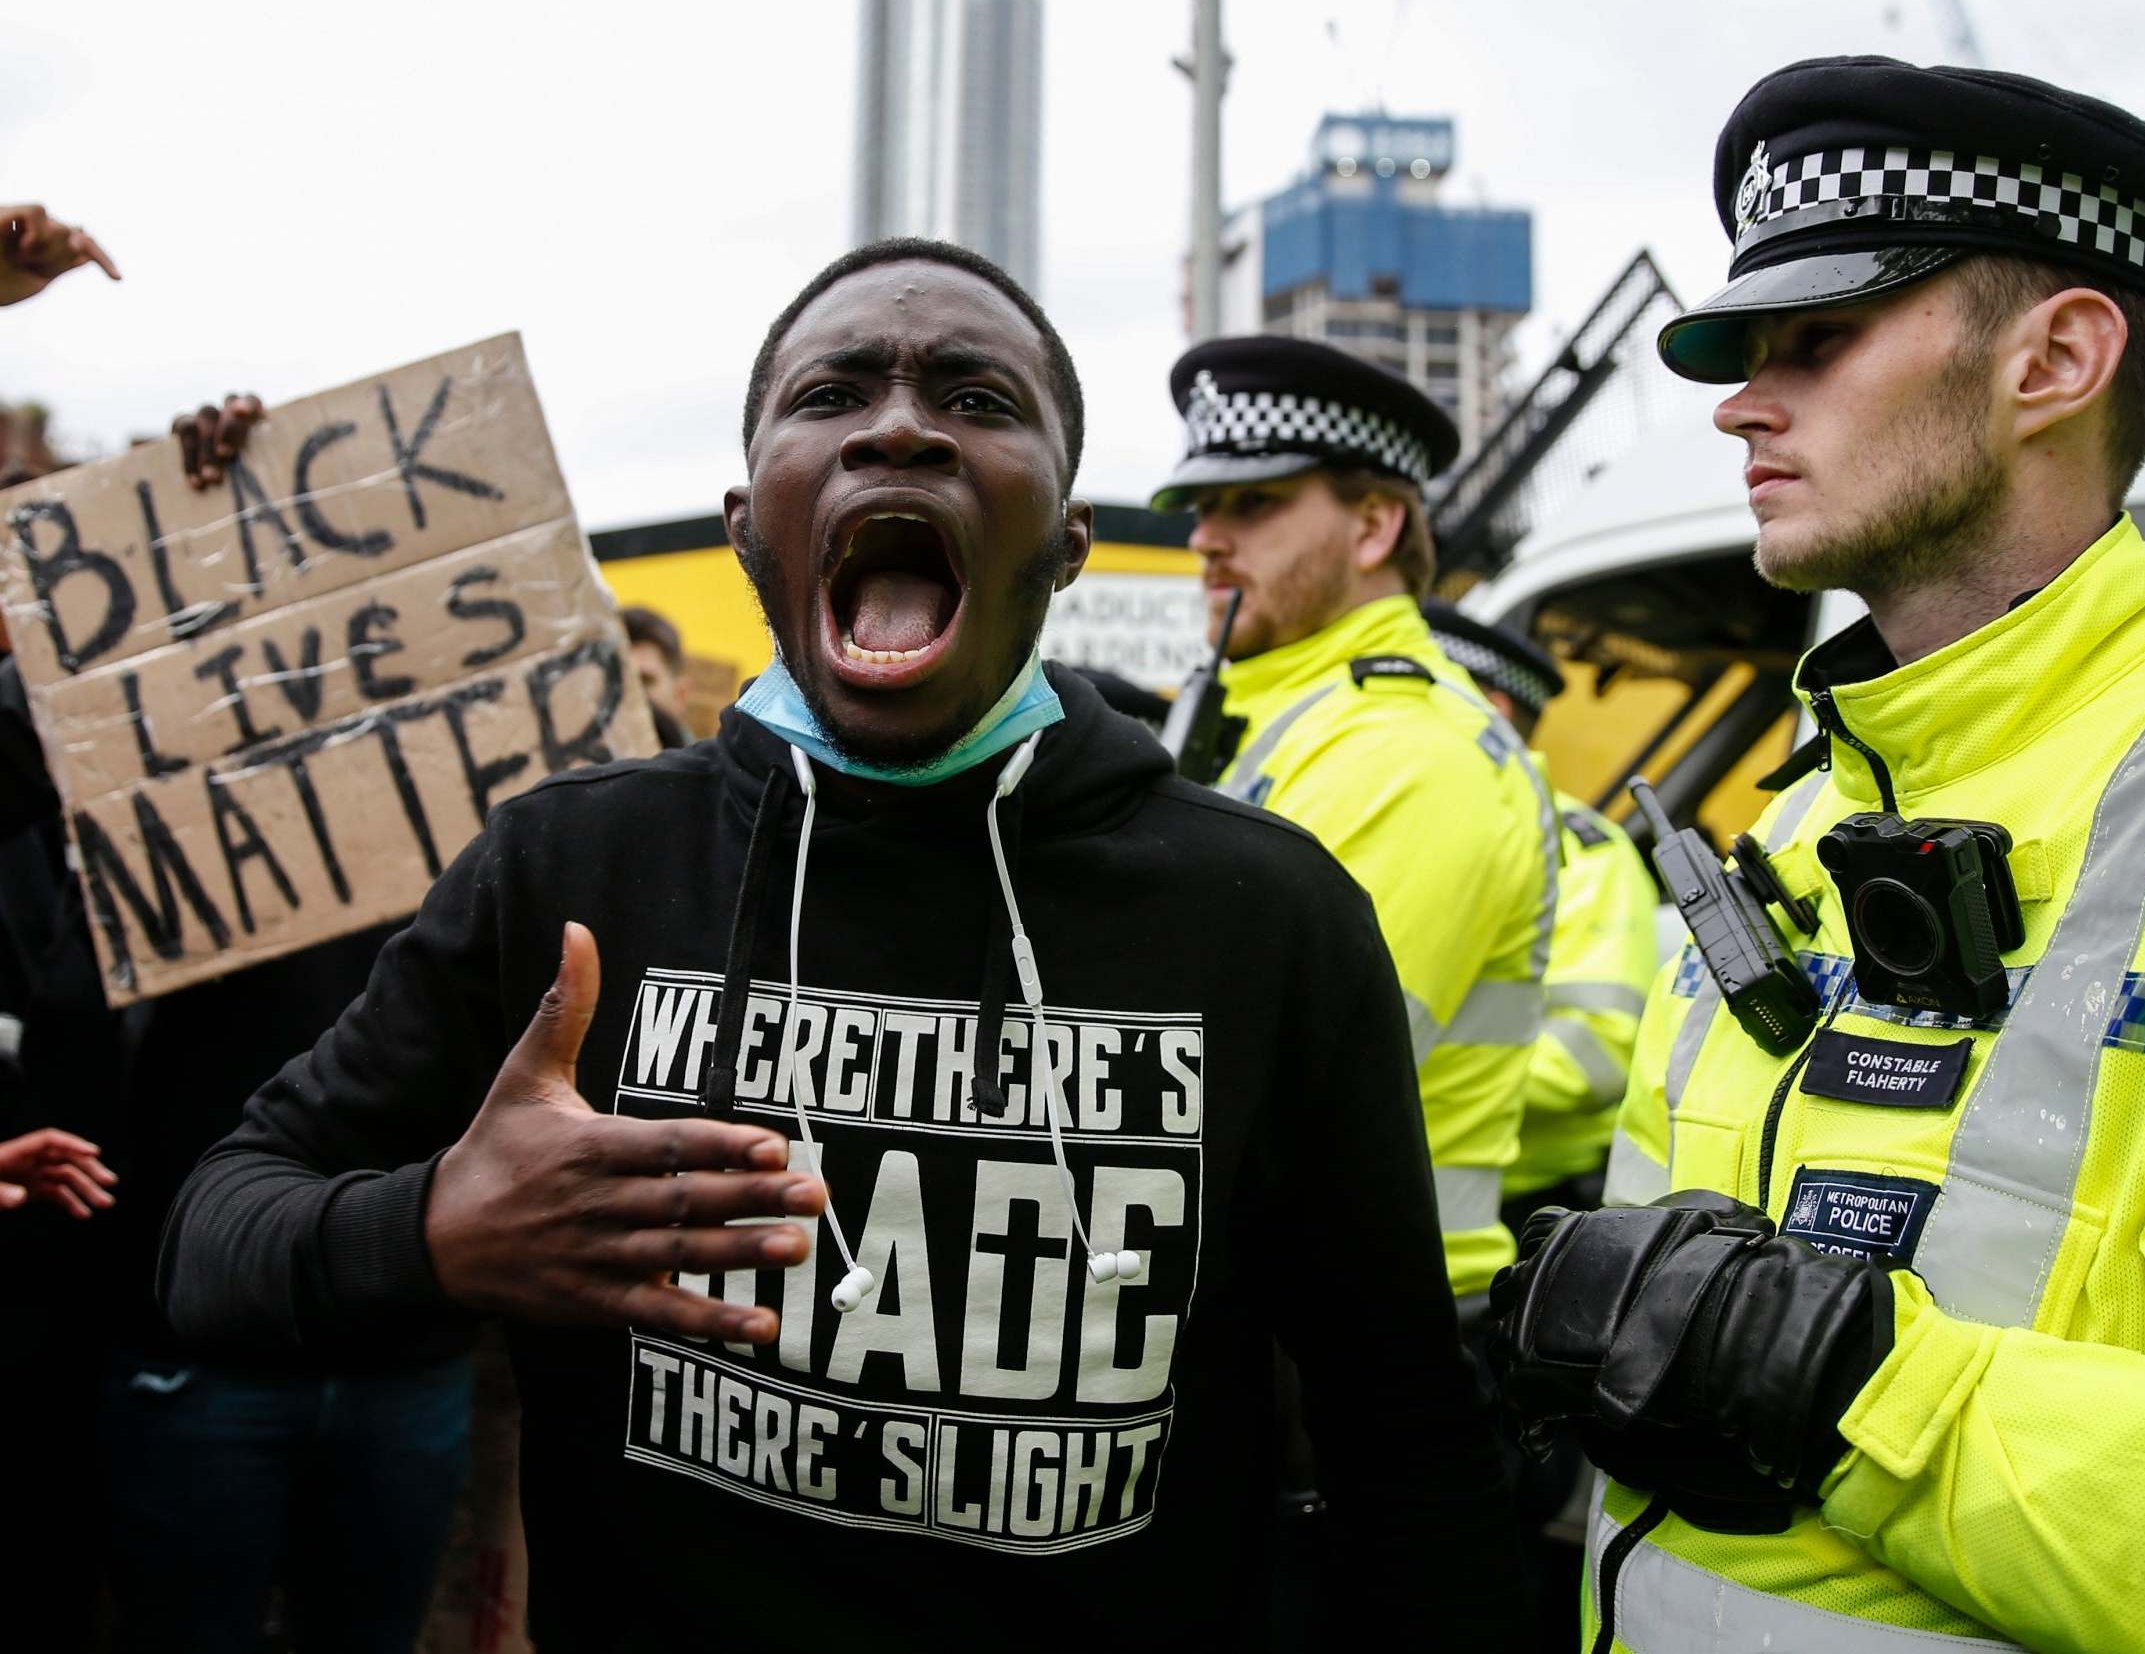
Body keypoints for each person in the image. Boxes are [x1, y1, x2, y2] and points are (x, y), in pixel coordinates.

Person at [160, 236, 1530, 1650]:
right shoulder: (574, 868)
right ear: (750, 524)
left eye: (978, 399)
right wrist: (437, 1228)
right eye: (833, 392)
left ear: (1063, 544)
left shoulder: (1268, 914)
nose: (898, 424)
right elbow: (212, 1234)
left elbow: (1408, 1442)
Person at [1488, 56, 2145, 1653]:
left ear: (2061, 358)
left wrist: (1843, 1377)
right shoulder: (1799, 820)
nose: (1744, 401)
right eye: (1748, 354)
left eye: (1816, 343)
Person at [1151, 337, 1559, 1320]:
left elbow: (1243, 1087)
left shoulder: (1407, 752)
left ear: (1374, 524)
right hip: (1297, 1311)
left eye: (1253, 504)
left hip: (1360, 1341)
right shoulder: (1298, 715)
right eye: (1203, 506)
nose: (1207, 538)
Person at [1422, 600, 1658, 1646]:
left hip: (1518, 1235)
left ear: (1489, 708)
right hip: (1417, 1231)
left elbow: (1600, 1052)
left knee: (1492, 1531)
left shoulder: (1586, 847)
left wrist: (1446, 1099)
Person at [622, 604, 695, 747]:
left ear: (680, 694)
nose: (626, 695)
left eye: (643, 681)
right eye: (615, 680)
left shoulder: (705, 768)